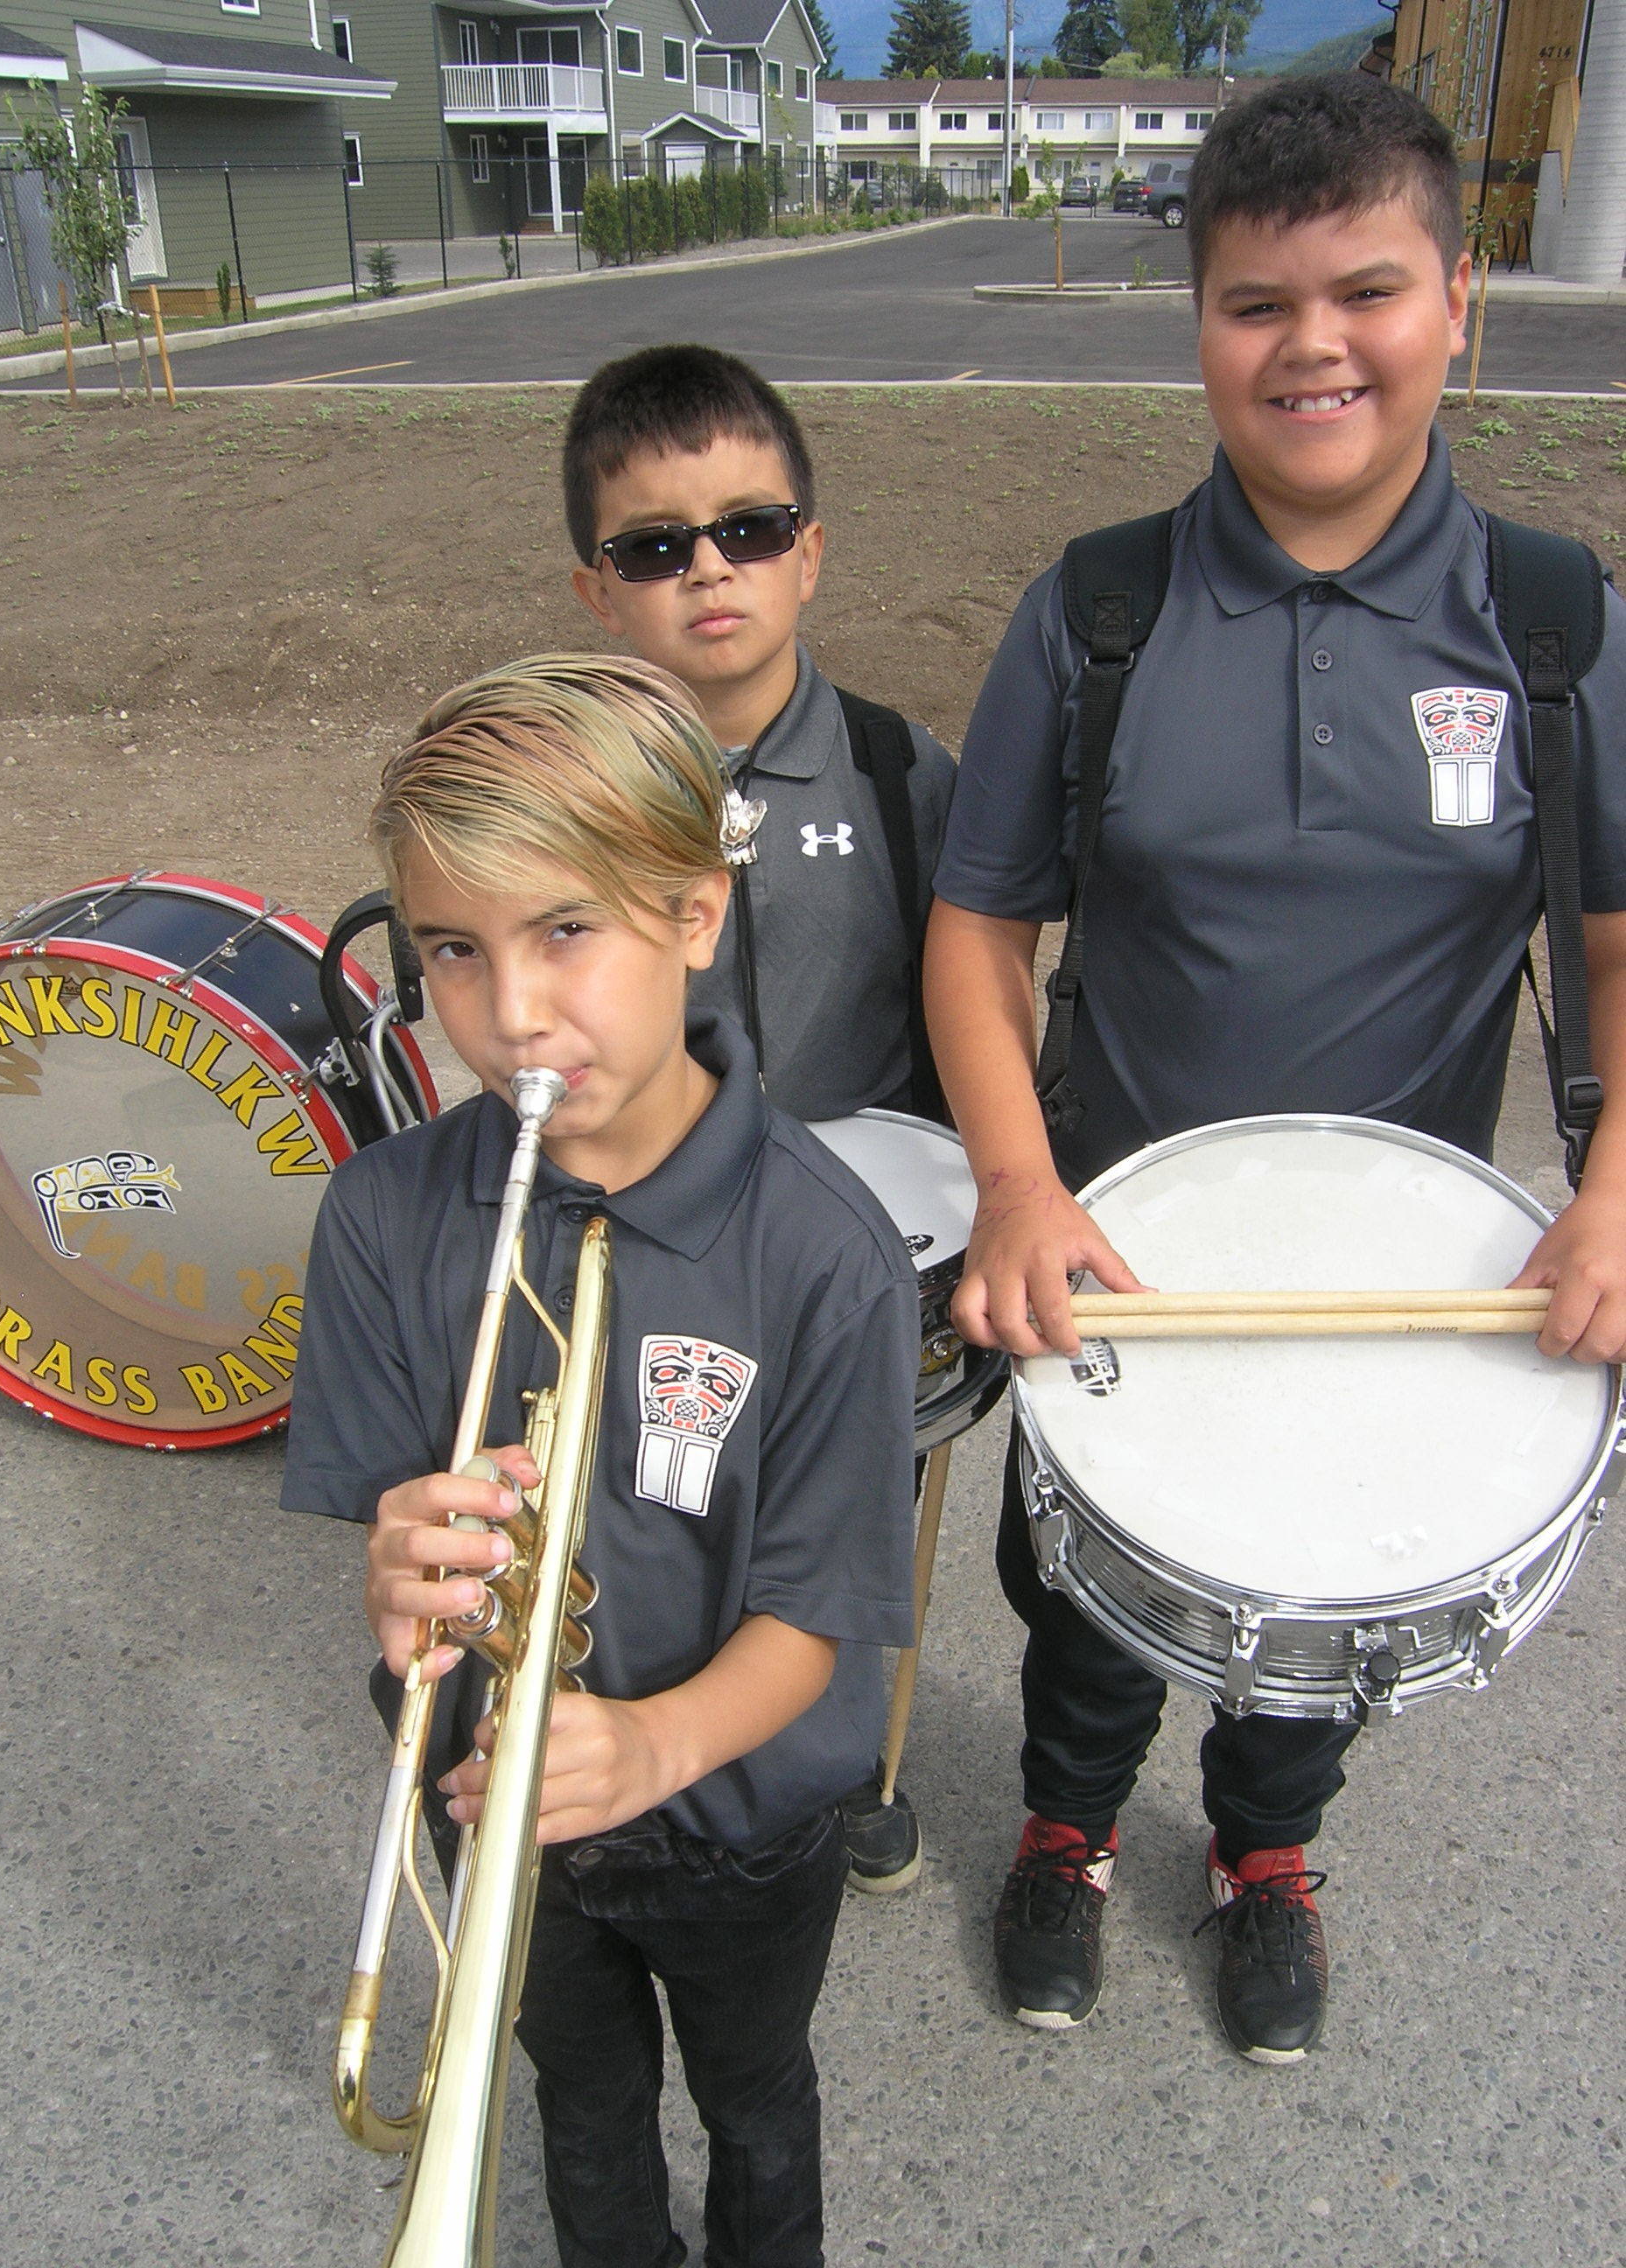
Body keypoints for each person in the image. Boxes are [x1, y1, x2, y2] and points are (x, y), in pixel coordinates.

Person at [923, 73, 1626, 2065]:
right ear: (1201, 325)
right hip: (1121, 1248)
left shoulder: (1558, 622)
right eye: (1257, 303)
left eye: (1368, 291)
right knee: (1079, 1604)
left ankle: (1264, 1860)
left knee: (1316, 1617)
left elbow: (1614, 940)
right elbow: (981, 930)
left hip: (1402, 1274)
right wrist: (1013, 1185)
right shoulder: (1104, 612)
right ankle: (1063, 1831)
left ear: (1458, 303)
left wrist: (1617, 1184)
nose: (1314, 345)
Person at [282, 654, 916, 2266]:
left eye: (568, 930)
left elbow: (823, 1613)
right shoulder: (381, 1215)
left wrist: (652, 1749)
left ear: (697, 913)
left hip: (743, 1812)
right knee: (578, 2092)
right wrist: (398, 1577)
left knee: (757, 2091)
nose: (511, 1016)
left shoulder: (828, 1256)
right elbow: (391, 1521)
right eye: (454, 952)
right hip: (495, 1791)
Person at [564, 342, 958, 1891]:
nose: (707, 573)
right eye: (655, 548)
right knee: (663, 1502)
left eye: (749, 529)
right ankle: (646, 1740)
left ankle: (843, 1759)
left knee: (839, 1522)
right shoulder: (569, 783)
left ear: (811, 551)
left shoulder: (897, 768)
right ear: (601, 591)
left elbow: (960, 996)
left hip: (851, 1240)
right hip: (645, 1230)